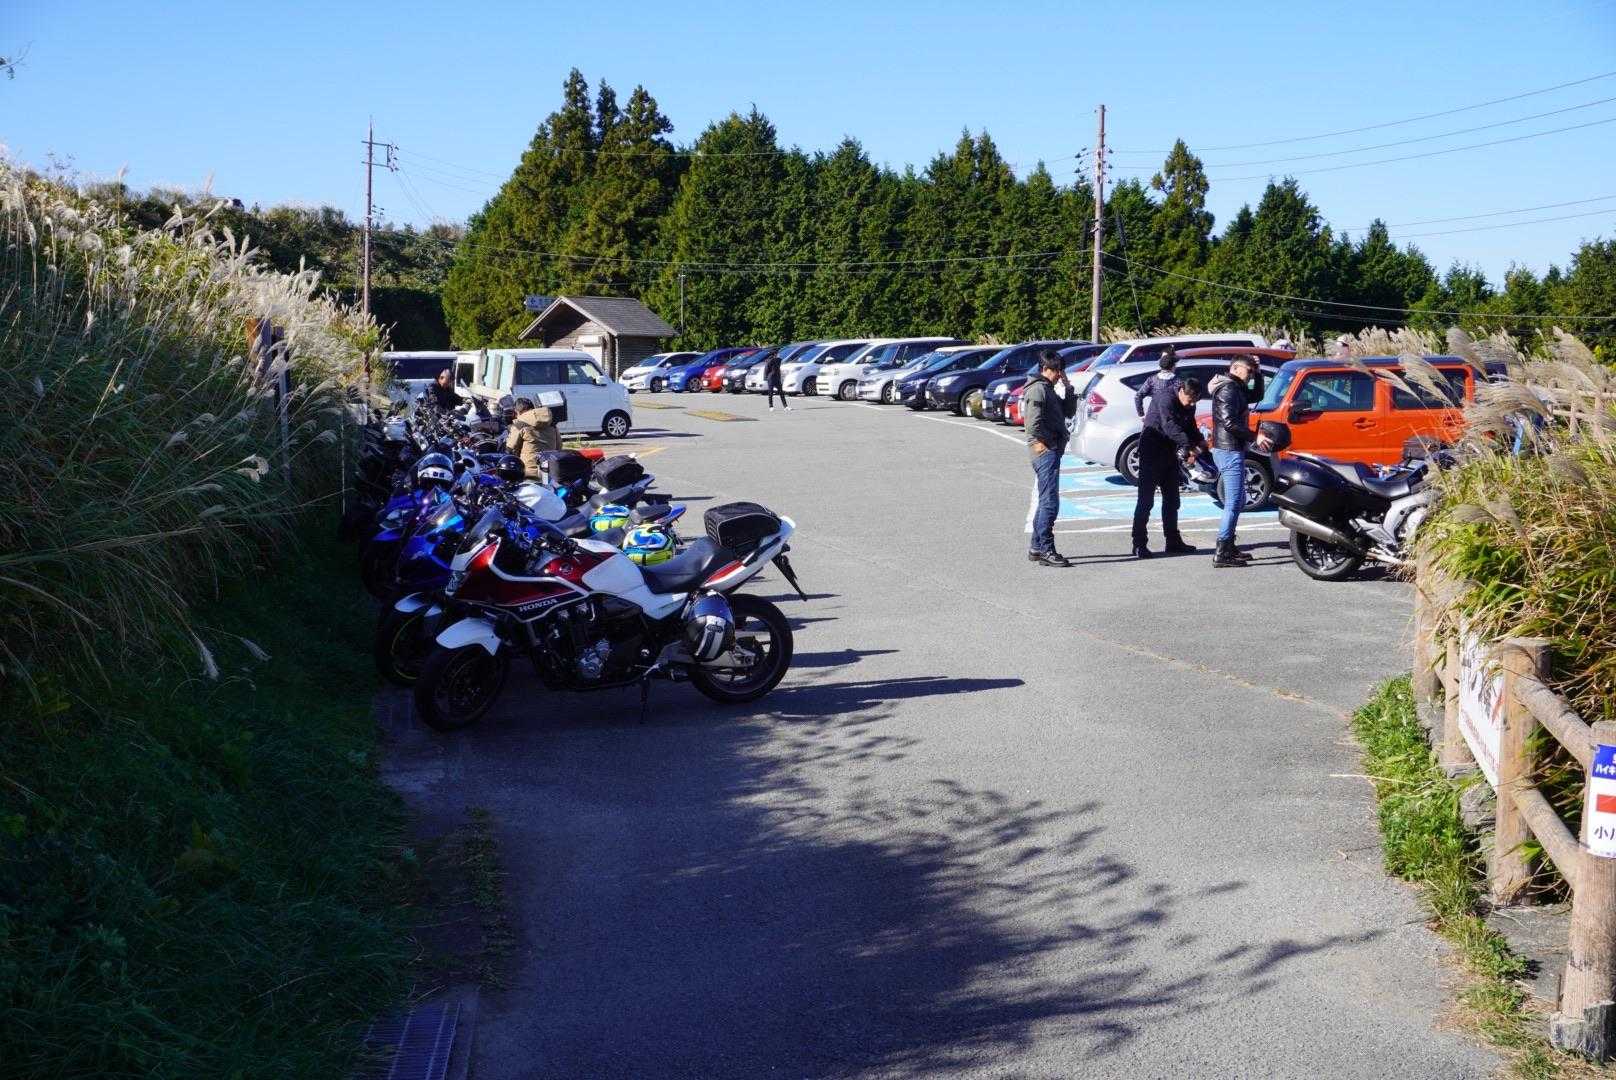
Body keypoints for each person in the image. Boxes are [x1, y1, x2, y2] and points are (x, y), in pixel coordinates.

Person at [1131, 377, 1208, 558]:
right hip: (1151, 451)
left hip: (1169, 453)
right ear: (1181, 391)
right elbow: (1169, 426)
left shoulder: (1190, 403)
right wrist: (1189, 446)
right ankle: (1139, 543)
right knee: (1146, 501)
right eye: (1189, 400)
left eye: (1195, 401)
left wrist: (1200, 440)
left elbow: (1190, 425)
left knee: (1172, 500)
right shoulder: (1165, 398)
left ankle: (1173, 540)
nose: (1191, 404)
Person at [1208, 355, 1273, 568]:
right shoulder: (1228, 389)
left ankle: (1229, 546)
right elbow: (1229, 422)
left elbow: (1257, 395)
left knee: (1239, 499)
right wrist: (1255, 437)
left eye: (1253, 372)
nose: (1250, 375)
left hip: (1232, 448)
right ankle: (1222, 552)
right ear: (1235, 368)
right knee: (1234, 501)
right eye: (1249, 371)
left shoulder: (1236, 387)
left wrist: (1259, 373)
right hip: (1228, 449)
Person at [1022, 350, 1078, 567]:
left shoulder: (1048, 388)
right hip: (1045, 452)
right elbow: (1032, 425)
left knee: (1045, 500)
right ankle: (1046, 549)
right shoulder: (1038, 390)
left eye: (1060, 371)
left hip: (1050, 449)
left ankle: (1037, 547)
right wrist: (1046, 445)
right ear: (1045, 369)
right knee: (1049, 502)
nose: (1058, 375)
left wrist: (1068, 388)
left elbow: (1068, 412)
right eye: (1056, 370)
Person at [506, 396, 561, 479]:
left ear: (517, 411)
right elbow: (559, 447)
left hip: (528, 473)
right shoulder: (552, 423)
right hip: (549, 471)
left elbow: (510, 448)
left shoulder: (519, 424)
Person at [1133, 347, 1178, 418]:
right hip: (1169, 417)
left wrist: (1141, 415)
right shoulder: (1177, 381)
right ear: (1173, 366)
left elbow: (1138, 396)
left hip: (1154, 417)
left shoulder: (1152, 379)